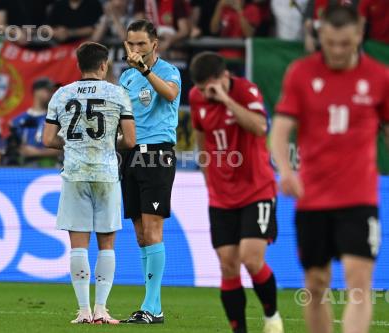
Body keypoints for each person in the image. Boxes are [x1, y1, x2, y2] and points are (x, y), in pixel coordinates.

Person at [271, 5, 389, 333]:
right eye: (331, 43)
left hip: (360, 196)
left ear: (359, 35)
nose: (337, 51)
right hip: (313, 198)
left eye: (345, 44)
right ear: (321, 35)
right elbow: (279, 130)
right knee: (316, 282)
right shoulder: (301, 72)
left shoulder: (380, 77)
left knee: (359, 281)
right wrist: (286, 170)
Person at [188, 51, 283, 333]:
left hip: (257, 188)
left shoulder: (245, 91)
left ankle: (272, 316)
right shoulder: (195, 97)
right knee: (228, 266)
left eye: (211, 87)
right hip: (221, 194)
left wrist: (226, 100)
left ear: (225, 76)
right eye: (202, 88)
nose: (207, 93)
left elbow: (260, 126)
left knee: (251, 259)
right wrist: (208, 177)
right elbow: (201, 137)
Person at [43, 41, 136, 324]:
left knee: (78, 246)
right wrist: (107, 143)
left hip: (74, 175)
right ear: (104, 65)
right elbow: (130, 141)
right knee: (106, 244)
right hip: (106, 175)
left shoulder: (62, 94)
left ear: (79, 65)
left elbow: (47, 139)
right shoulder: (118, 94)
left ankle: (83, 311)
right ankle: (101, 310)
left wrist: (74, 146)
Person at [119, 19, 181, 324]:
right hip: (129, 156)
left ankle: (152, 306)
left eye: (141, 43)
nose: (135, 49)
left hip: (157, 155)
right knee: (141, 235)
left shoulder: (168, 71)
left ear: (154, 44)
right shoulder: (126, 79)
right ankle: (151, 306)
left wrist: (145, 70)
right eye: (131, 44)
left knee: (153, 231)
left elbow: (169, 94)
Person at [0, 78, 62, 167]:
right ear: (37, 92)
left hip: (49, 173)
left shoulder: (56, 119)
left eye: (52, 91)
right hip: (25, 172)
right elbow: (14, 148)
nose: (51, 94)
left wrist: (37, 153)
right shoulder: (17, 121)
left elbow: (63, 149)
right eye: (48, 91)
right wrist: (3, 153)